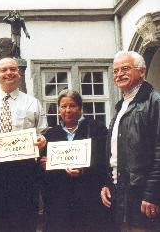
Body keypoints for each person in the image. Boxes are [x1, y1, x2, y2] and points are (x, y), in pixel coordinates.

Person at [0, 57, 47, 232]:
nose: (8, 73)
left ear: (19, 73)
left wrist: (42, 141)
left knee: (26, 223)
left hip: (25, 172)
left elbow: (43, 133)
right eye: (4, 70)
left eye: (12, 69)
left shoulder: (33, 103)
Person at [39, 89, 117, 232]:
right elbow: (44, 168)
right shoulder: (51, 134)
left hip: (89, 198)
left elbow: (104, 159)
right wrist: (45, 164)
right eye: (63, 106)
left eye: (72, 105)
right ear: (58, 109)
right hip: (60, 202)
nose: (68, 110)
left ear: (80, 108)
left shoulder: (96, 128)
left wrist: (83, 170)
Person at [100, 51, 160, 231]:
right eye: (115, 71)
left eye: (125, 69)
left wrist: (152, 194)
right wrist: (107, 182)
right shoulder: (121, 105)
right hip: (120, 192)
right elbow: (115, 153)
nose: (119, 74)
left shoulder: (155, 101)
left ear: (142, 71)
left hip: (143, 194)